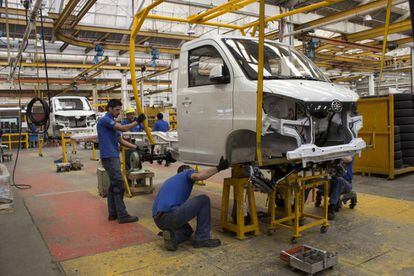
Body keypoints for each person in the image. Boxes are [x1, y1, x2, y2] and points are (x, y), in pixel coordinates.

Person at [152, 157, 230, 251]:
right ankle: (202, 238)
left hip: (159, 220)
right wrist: (219, 168)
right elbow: (198, 176)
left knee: (187, 230)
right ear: (187, 170)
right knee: (204, 200)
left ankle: (173, 237)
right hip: (169, 216)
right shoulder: (186, 173)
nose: (194, 171)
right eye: (192, 170)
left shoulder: (171, 181)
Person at [97, 99, 146, 224]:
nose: (119, 112)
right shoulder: (105, 120)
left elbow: (120, 140)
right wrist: (137, 121)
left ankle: (113, 213)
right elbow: (124, 128)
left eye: (120, 109)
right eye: (117, 109)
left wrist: (136, 147)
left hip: (113, 155)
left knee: (113, 186)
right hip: (109, 156)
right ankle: (122, 215)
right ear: (110, 109)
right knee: (119, 185)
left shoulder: (112, 122)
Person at [318, 156, 355, 220]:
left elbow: (348, 159)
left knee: (339, 180)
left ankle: (332, 207)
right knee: (311, 180)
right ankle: (297, 207)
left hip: (346, 184)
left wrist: (334, 155)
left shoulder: (348, 154)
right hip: (332, 182)